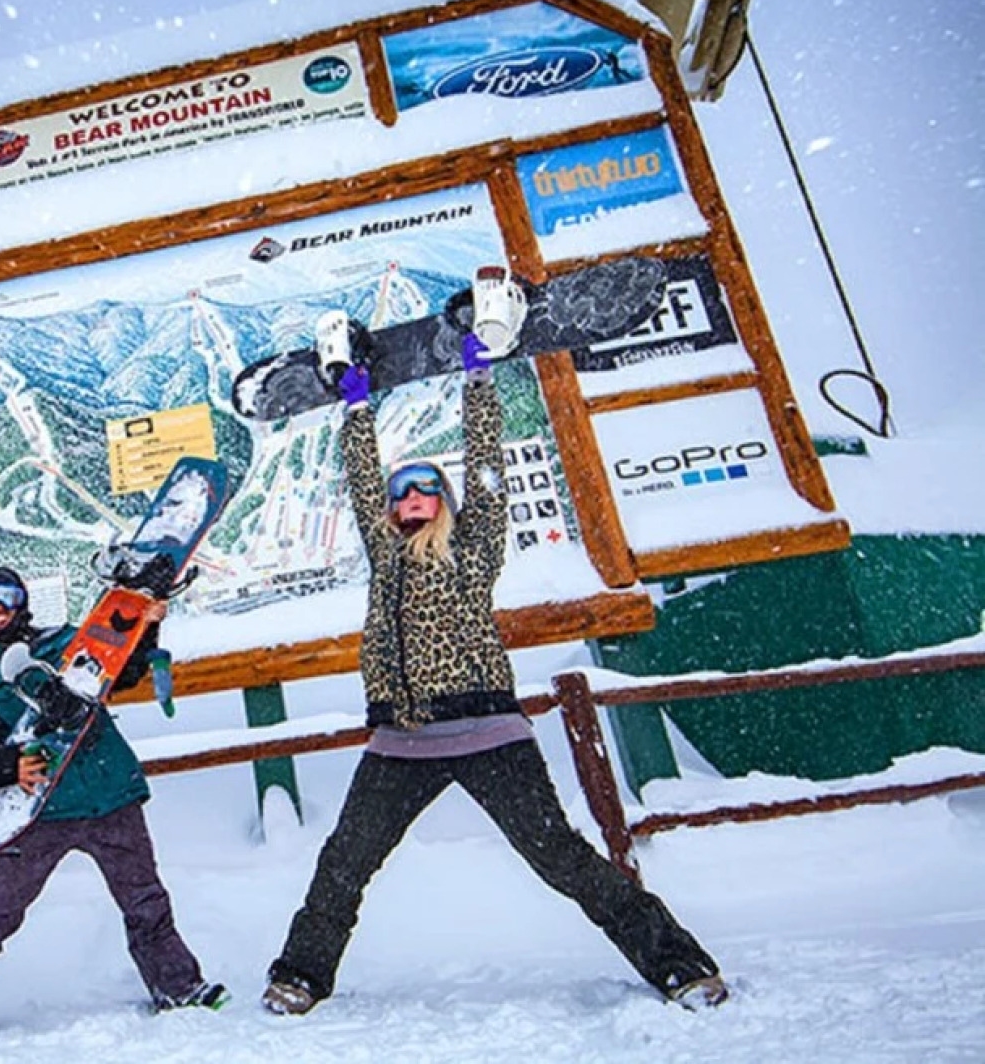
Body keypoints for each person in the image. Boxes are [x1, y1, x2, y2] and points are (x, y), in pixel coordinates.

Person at [262, 275, 727, 1016]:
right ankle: (299, 977)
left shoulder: (473, 547)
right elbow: (357, 482)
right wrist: (356, 405)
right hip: (399, 740)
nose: (408, 501)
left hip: (486, 732)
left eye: (422, 491)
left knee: (563, 861)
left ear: (441, 502)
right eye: (399, 493)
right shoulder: (384, 554)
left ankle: (677, 965)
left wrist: (480, 372)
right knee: (342, 865)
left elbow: (487, 471)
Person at [0, 566, 228, 1046]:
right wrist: (11, 765)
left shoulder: (64, 646)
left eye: (7, 598)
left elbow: (127, 668)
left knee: (145, 902)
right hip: (39, 812)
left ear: (22, 602)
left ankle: (178, 986)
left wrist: (151, 620)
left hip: (107, 793)